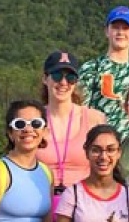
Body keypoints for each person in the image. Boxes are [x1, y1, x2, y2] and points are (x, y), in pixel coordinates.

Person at [38, 50, 107, 198]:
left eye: (70, 78)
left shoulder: (94, 119)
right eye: (57, 76)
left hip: (83, 201)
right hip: (39, 200)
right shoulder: (34, 119)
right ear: (45, 79)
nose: (63, 83)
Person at [79, 5, 129, 141]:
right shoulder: (91, 69)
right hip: (100, 146)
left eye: (125, 28)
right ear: (107, 31)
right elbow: (80, 113)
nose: (120, 32)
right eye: (115, 27)